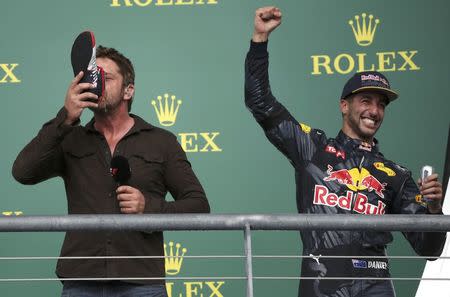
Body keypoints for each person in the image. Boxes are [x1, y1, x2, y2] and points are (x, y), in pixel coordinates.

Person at [245, 6, 446, 297]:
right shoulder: (313, 148)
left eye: (381, 104)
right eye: (366, 100)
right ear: (344, 105)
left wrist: (434, 211)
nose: (374, 111)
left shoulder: (397, 175)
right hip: (322, 282)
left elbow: (429, 249)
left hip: (376, 284)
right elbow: (259, 102)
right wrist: (259, 40)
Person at [12, 45, 210, 297]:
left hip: (142, 283)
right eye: (93, 78)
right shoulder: (71, 138)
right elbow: (22, 172)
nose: (97, 84)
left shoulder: (162, 142)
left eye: (106, 78)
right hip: (81, 282)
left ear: (129, 90)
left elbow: (199, 206)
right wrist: (65, 118)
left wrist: (148, 207)